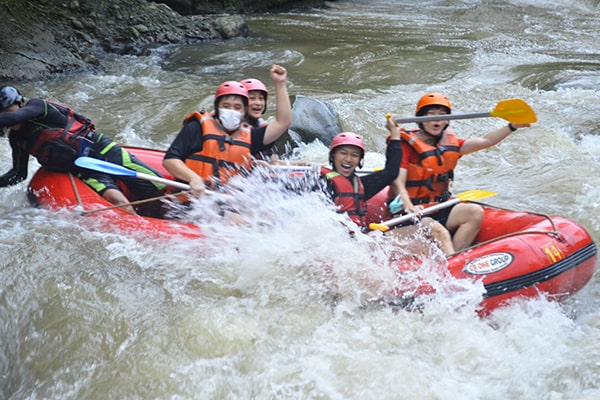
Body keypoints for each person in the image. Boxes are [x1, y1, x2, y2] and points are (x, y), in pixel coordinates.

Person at [387, 92, 531, 253]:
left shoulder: (449, 145)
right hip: (410, 215)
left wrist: (512, 126)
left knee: (474, 212)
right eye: (431, 114)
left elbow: (486, 141)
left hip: (438, 207)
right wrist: (407, 203)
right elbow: (398, 181)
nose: (436, 119)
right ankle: (452, 265)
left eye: (442, 115)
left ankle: (454, 261)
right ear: (420, 118)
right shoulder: (406, 146)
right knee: (439, 231)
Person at [0, 85, 166, 216]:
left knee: (158, 187)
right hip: (81, 167)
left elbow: (15, 117)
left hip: (101, 149)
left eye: (7, 111)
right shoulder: (17, 139)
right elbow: (18, 173)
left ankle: (165, 216)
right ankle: (139, 225)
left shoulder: (38, 106)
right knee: (117, 202)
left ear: (20, 104)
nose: (6, 118)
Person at [162, 64, 292, 194]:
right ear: (217, 107)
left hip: (227, 202)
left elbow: (282, 122)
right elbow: (170, 160)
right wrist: (193, 178)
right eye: (226, 106)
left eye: (237, 107)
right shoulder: (196, 128)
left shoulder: (249, 136)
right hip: (193, 201)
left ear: (244, 111)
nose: (231, 111)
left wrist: (280, 83)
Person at [319, 116, 401, 234]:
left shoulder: (362, 185)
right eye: (343, 153)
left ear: (359, 161)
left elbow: (391, 172)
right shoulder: (320, 183)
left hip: (357, 239)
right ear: (333, 156)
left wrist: (395, 134)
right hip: (333, 240)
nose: (348, 159)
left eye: (354, 155)